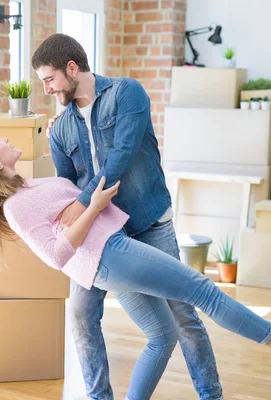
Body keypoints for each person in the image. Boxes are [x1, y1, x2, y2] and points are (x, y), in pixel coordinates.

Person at [0, 136, 271, 400]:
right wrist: (95, 206)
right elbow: (56, 254)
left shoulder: (24, 189)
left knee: (162, 335)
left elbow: (64, 209)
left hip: (110, 255)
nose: (3, 140)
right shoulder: (15, 206)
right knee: (202, 290)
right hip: (108, 254)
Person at [31, 33, 222, 399]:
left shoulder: (127, 94)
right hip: (100, 237)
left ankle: (210, 394)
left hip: (148, 224)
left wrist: (84, 202)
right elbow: (66, 186)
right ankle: (99, 396)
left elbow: (122, 156)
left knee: (183, 314)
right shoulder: (62, 129)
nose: (47, 90)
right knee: (82, 318)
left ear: (72, 68)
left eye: (50, 79)